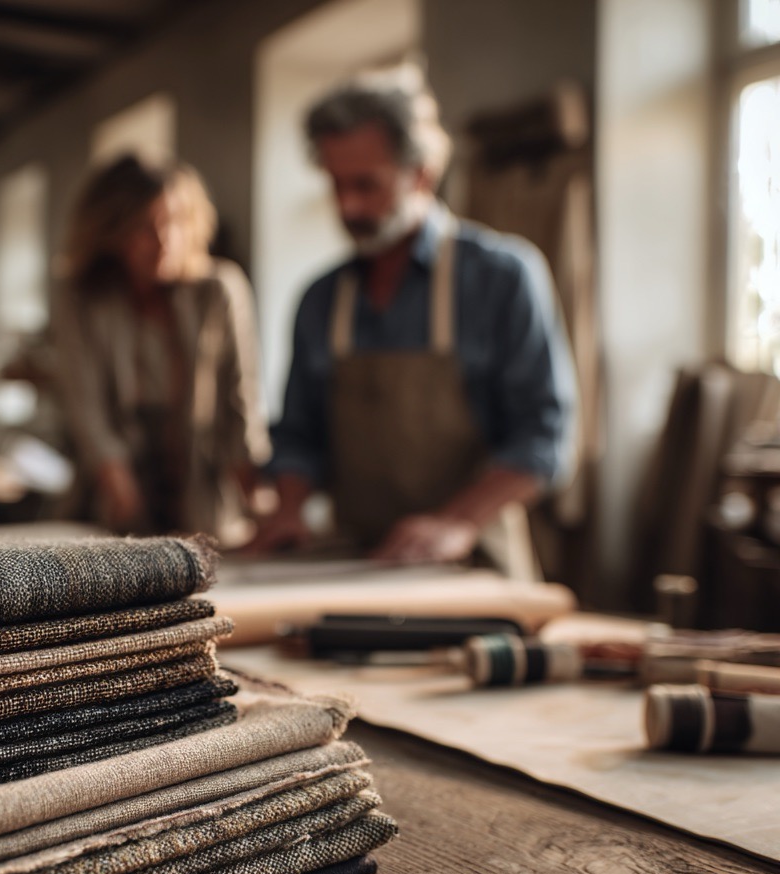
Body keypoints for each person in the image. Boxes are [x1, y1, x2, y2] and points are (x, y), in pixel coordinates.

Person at [251, 67, 577, 577]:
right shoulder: (320, 300)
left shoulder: (501, 278)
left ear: (421, 173)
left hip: (472, 562)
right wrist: (289, 508)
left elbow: (543, 437)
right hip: (355, 563)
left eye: (366, 185)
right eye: (336, 185)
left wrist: (454, 522)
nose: (348, 206)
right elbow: (298, 435)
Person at [54, 154, 270, 540]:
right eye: (144, 228)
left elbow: (241, 402)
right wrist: (125, 505)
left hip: (203, 500)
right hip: (109, 508)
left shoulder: (218, 289)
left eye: (176, 222)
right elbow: (87, 412)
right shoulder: (81, 297)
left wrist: (260, 504)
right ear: (111, 230)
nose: (164, 242)